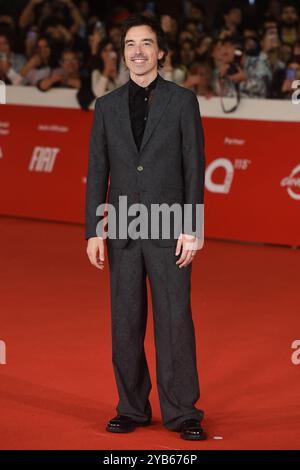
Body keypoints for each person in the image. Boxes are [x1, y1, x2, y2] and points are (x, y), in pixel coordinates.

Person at [85, 14, 206, 441]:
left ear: (161, 52)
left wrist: (194, 227)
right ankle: (131, 407)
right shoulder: (107, 105)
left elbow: (194, 167)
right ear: (123, 53)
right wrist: (94, 230)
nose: (138, 51)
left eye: (147, 43)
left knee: (175, 321)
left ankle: (183, 412)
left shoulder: (182, 101)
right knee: (126, 321)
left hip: (171, 225)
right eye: (130, 44)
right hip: (120, 226)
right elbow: (98, 169)